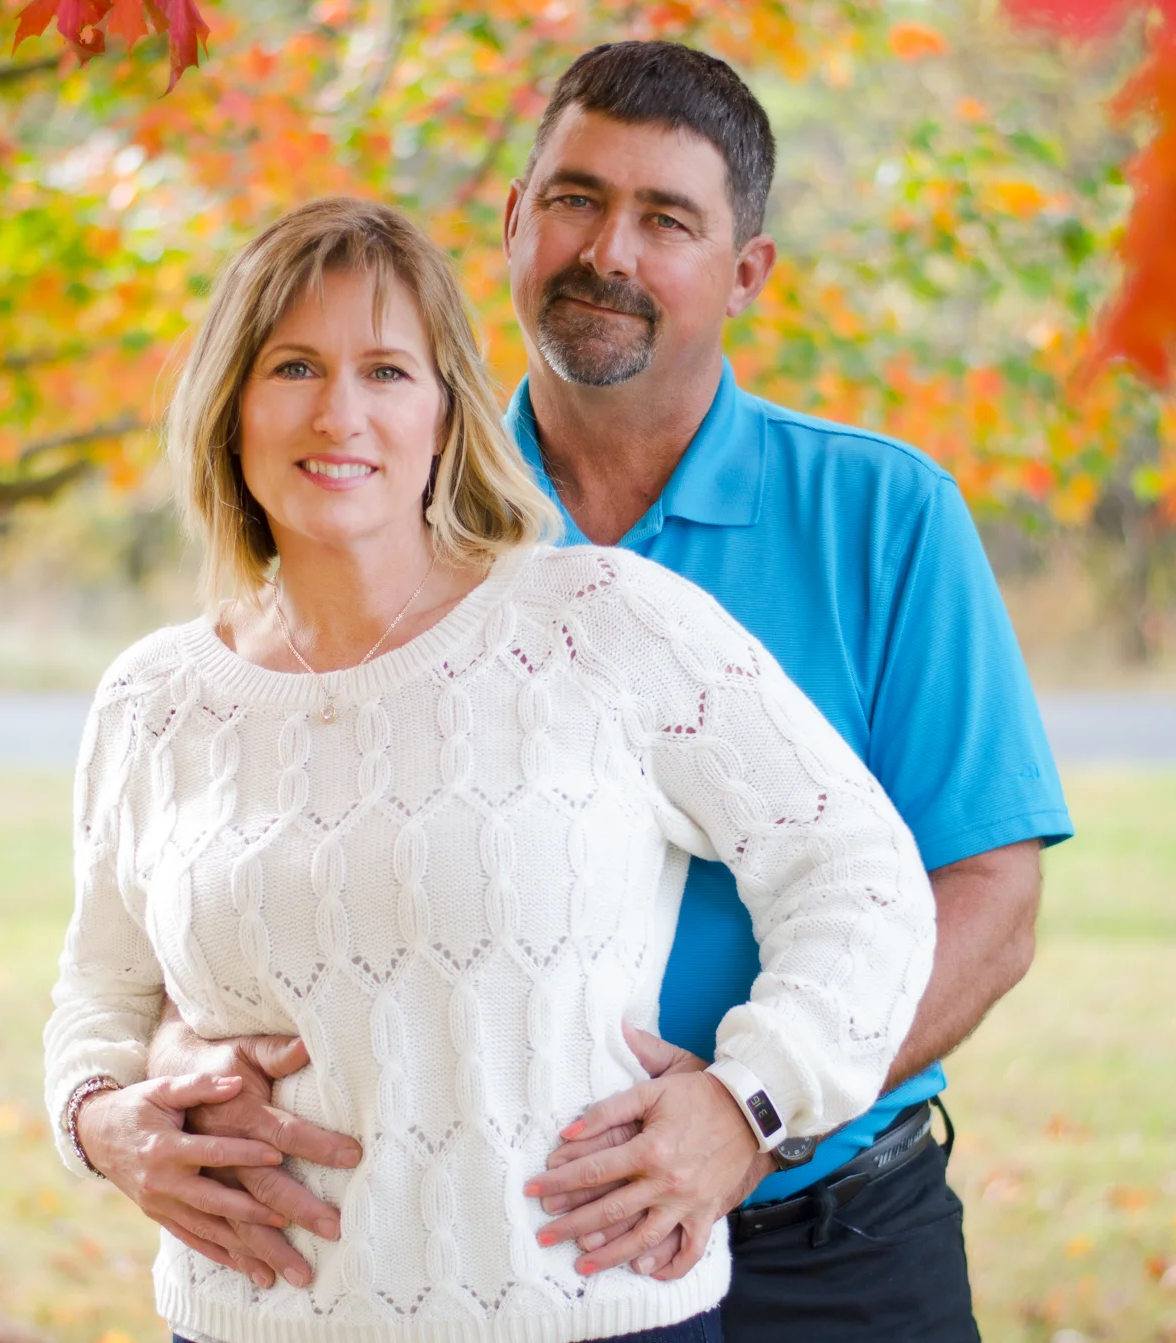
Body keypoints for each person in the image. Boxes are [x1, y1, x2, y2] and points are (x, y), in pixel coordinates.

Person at [120, 42, 1074, 1341]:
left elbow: (988, 895)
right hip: (518, 1257)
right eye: (575, 198)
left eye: (667, 219)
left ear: (748, 274)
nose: (608, 251)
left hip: (831, 1222)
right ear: (514, 222)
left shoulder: (882, 515)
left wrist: (747, 1110)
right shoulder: (394, 508)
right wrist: (170, 1062)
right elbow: (274, 845)